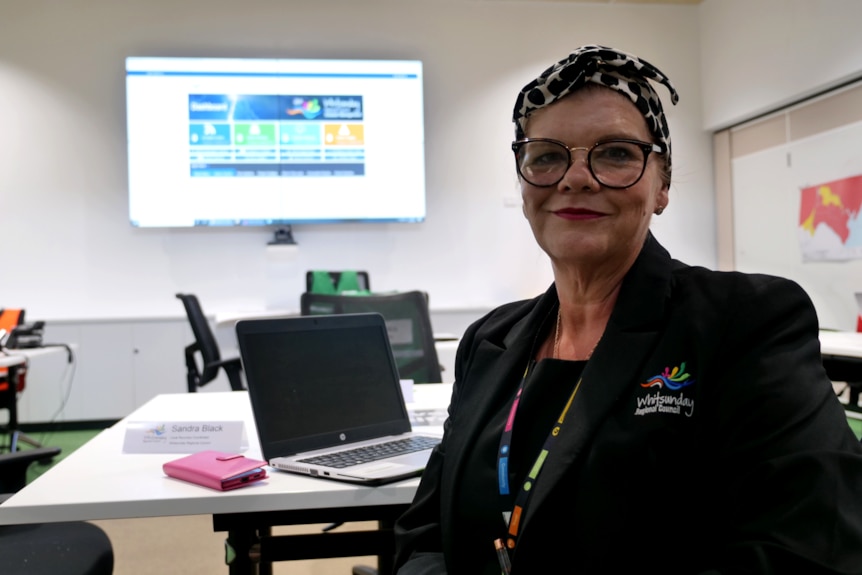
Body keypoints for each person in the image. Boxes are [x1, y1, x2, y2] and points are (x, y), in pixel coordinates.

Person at [393, 45, 862, 574]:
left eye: (615, 153)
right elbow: (425, 532)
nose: (576, 177)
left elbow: (805, 548)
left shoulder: (745, 322)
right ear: (524, 184)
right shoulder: (489, 340)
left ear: (661, 186)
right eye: (546, 155)